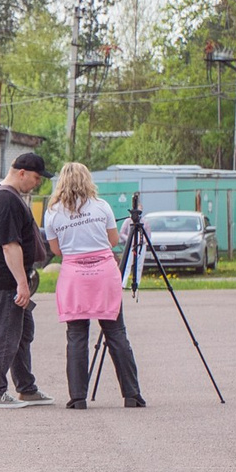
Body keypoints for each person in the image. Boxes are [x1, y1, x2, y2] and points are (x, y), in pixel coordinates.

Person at [43, 162, 144, 409]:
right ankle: (131, 394)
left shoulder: (53, 212)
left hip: (74, 275)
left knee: (76, 335)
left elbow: (55, 249)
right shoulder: (101, 206)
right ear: (88, 180)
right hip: (104, 273)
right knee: (116, 333)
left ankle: (78, 397)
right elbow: (112, 240)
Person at [0, 151, 52, 408]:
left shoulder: (8, 197)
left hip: (10, 279)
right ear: (21, 173)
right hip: (5, 280)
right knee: (6, 334)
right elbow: (10, 246)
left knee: (22, 333)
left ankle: (26, 388)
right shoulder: (6, 201)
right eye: (36, 178)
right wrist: (21, 283)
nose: (37, 183)